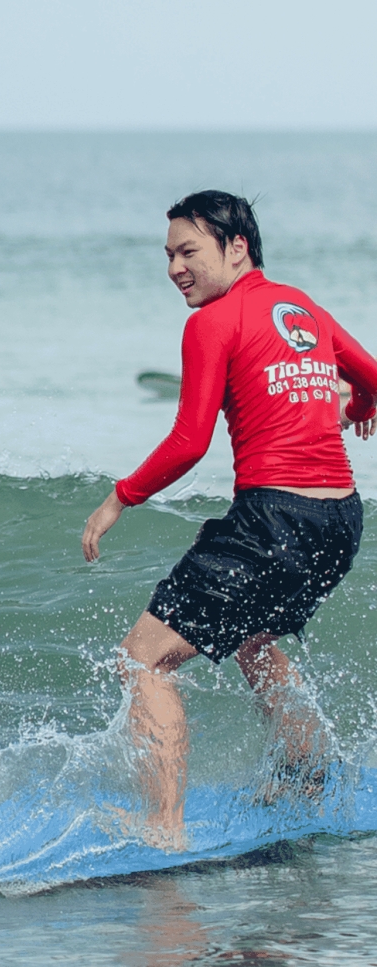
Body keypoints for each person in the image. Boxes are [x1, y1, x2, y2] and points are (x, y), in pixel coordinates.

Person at [80, 190, 377, 848]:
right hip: (341, 522)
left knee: (144, 659)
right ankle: (309, 773)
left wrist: (119, 498)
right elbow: (374, 375)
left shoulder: (212, 322)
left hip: (275, 518)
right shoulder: (304, 306)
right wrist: (359, 401)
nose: (175, 268)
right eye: (168, 255)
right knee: (251, 639)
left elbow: (190, 442)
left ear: (236, 247)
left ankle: (164, 825)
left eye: (188, 251)